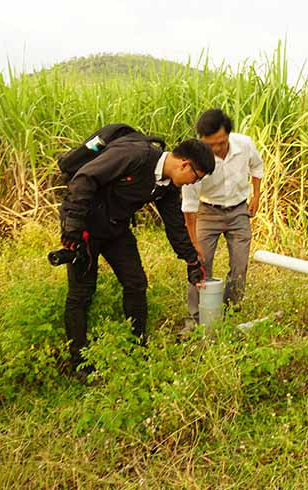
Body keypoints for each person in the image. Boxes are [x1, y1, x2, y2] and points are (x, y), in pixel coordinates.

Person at [59, 132, 214, 373]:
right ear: (185, 164)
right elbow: (85, 178)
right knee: (81, 292)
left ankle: (137, 347)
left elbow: (175, 226)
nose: (192, 184)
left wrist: (192, 262)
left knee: (136, 283)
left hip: (115, 228)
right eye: (196, 178)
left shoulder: (166, 186)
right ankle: (79, 362)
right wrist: (73, 226)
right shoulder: (135, 155)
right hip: (84, 226)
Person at [181, 109, 264, 330]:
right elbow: (189, 206)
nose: (216, 149)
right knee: (200, 264)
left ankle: (230, 313)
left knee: (239, 264)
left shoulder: (244, 144)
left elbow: (257, 166)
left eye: (221, 142)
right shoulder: (194, 158)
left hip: (238, 211)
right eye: (210, 145)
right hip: (207, 212)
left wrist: (256, 196)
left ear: (228, 134)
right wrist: (193, 242)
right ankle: (194, 319)